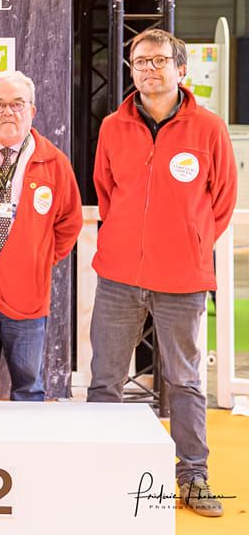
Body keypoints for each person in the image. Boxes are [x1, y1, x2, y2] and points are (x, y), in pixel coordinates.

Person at [89, 29, 237, 517]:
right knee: (106, 378)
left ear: (181, 69)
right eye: (139, 62)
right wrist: (128, 240)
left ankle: (193, 475)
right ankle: (103, 470)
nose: (148, 69)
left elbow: (222, 202)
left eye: (158, 61)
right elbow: (106, 190)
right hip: (118, 276)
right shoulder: (112, 125)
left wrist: (189, 242)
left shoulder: (210, 129)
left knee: (186, 381)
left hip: (184, 278)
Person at [0, 70, 82, 402]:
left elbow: (69, 222)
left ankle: (25, 453)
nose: (8, 111)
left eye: (17, 104)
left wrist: (37, 258)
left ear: (32, 111)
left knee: (28, 384)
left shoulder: (55, 163)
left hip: (27, 293)